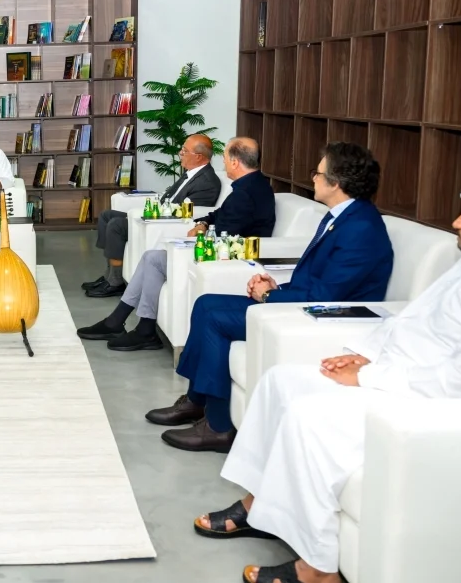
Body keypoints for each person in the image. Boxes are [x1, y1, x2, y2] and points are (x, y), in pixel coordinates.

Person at [196, 177, 461, 583]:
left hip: (450, 410)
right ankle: (260, 506)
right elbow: (410, 322)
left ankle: (318, 575)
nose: (456, 222)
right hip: (403, 378)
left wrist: (369, 377)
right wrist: (364, 356)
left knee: (308, 415)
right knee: (280, 381)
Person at [145, 142, 393, 453]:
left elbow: (330, 295)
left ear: (336, 182)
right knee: (206, 303)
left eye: (317, 173)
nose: (313, 179)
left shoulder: (361, 228)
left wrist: (272, 296)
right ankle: (197, 401)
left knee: (215, 319)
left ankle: (218, 427)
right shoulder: (342, 217)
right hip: (301, 303)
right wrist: (277, 287)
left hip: (318, 318)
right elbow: (318, 279)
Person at [76, 137, 277, 350]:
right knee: (152, 257)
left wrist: (198, 238)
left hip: (228, 257)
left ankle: (129, 326)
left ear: (235, 162)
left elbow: (227, 233)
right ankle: (127, 325)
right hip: (222, 248)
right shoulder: (251, 186)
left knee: (153, 259)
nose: (223, 162)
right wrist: (202, 223)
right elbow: (219, 214)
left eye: (225, 158)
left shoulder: (246, 193)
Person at [84, 134, 223, 297]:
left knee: (116, 225)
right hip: (158, 216)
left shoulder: (207, 182)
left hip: (163, 223)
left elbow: (188, 212)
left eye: (184, 151)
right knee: (106, 216)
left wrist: (155, 215)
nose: (180, 153)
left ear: (198, 156)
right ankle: (109, 274)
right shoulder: (191, 173)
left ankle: (115, 283)